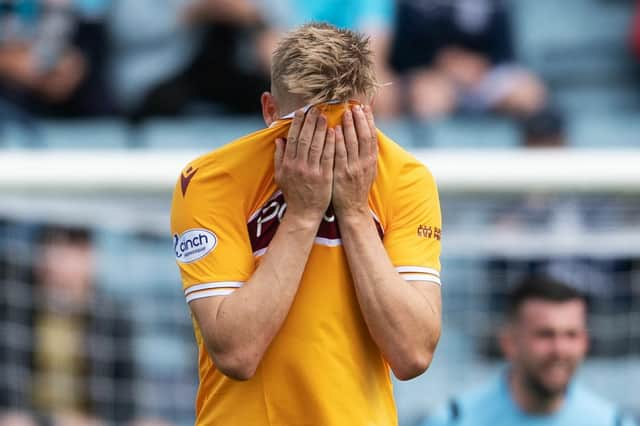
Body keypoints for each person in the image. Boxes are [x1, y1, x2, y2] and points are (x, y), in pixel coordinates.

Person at [170, 22, 443, 425]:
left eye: (343, 125)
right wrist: (301, 214)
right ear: (269, 111)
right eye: (306, 127)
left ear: (368, 113)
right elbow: (236, 353)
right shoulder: (213, 180)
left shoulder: (404, 178)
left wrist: (352, 212)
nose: (326, 147)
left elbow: (413, 354)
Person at [421, 275, 638, 426]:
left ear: (585, 342)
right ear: (509, 343)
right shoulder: (454, 420)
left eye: (571, 335)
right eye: (545, 334)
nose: (559, 350)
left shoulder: (613, 422)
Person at [0, 224, 136, 425]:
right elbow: (10, 397)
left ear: (88, 258)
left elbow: (126, 400)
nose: (51, 260)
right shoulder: (15, 310)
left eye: (65, 251)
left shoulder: (113, 319)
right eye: (48, 247)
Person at [389, 0, 547, 121]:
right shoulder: (415, 5)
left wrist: (480, 66)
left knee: (528, 94)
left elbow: (506, 50)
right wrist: (444, 64)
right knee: (429, 99)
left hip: (484, 74)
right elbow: (403, 51)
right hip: (433, 75)